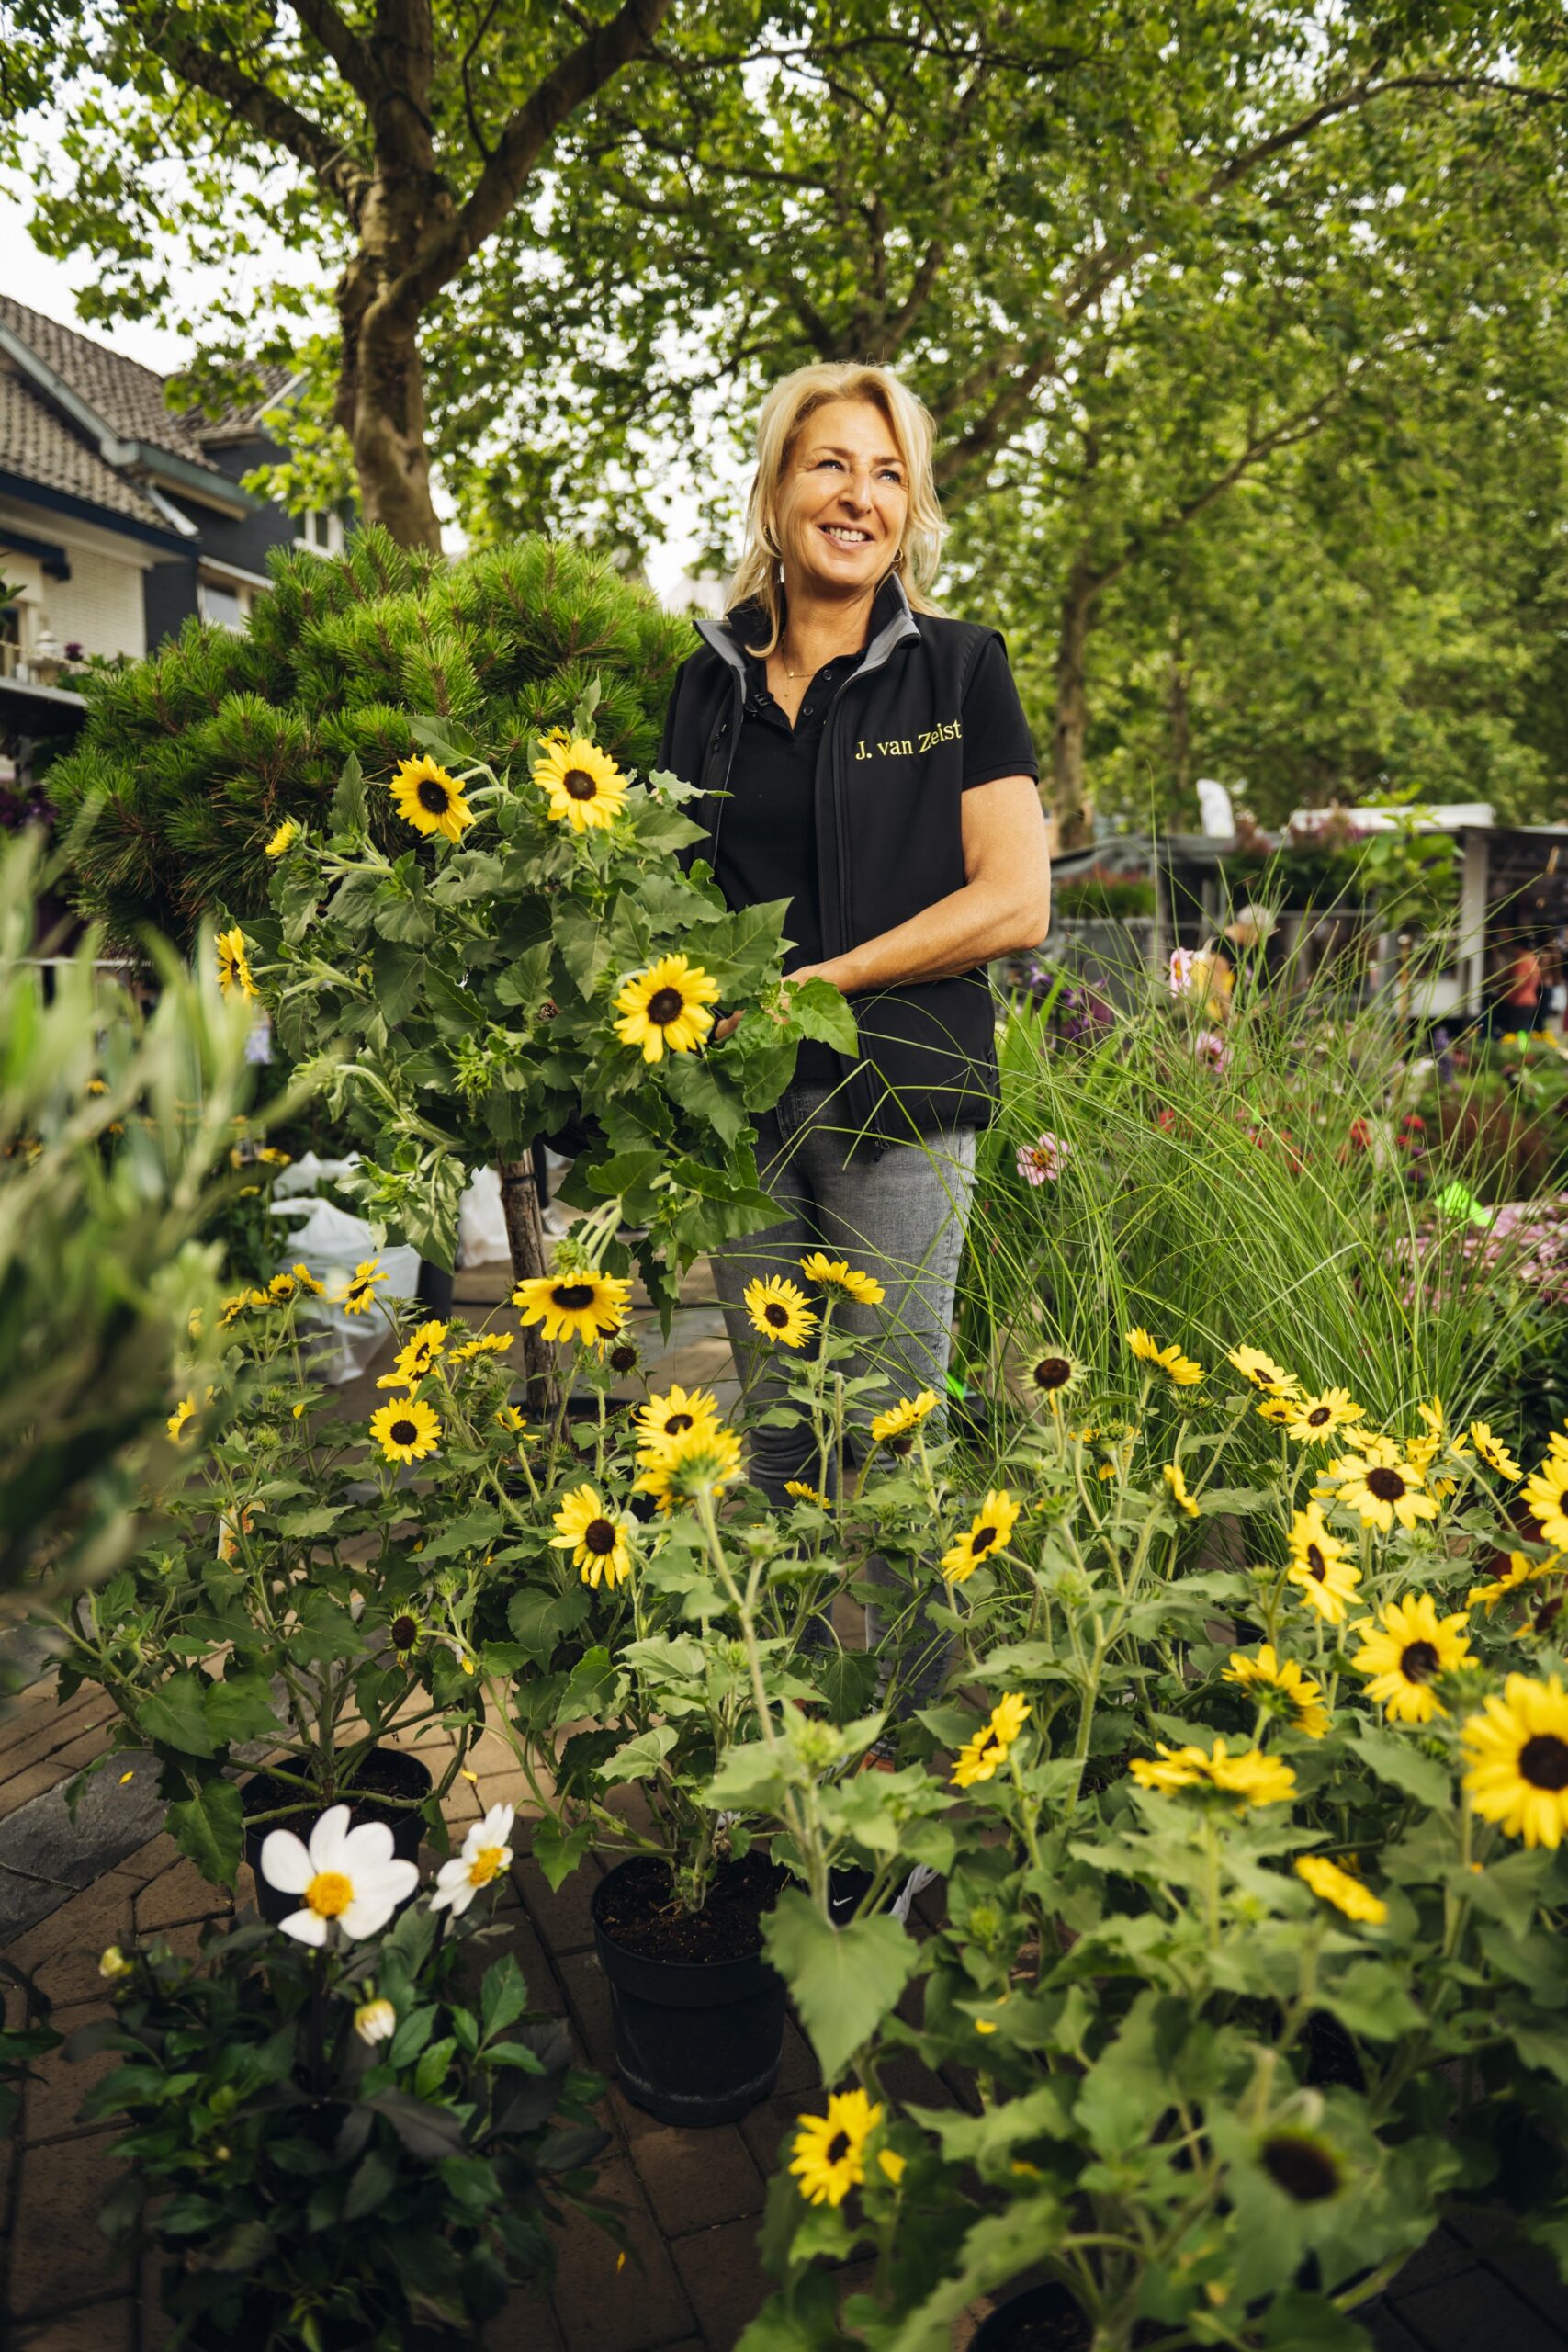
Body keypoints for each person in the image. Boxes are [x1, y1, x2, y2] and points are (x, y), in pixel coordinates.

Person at [658, 361, 1051, 1724]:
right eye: (832, 466)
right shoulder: (703, 688)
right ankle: (791, 1774)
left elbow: (1014, 896)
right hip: (745, 1113)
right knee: (777, 1444)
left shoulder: (957, 668)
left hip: (902, 1100)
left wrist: (831, 977)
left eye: (889, 476)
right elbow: (665, 900)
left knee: (890, 1449)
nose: (860, 498)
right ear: (776, 490)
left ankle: (916, 1799)